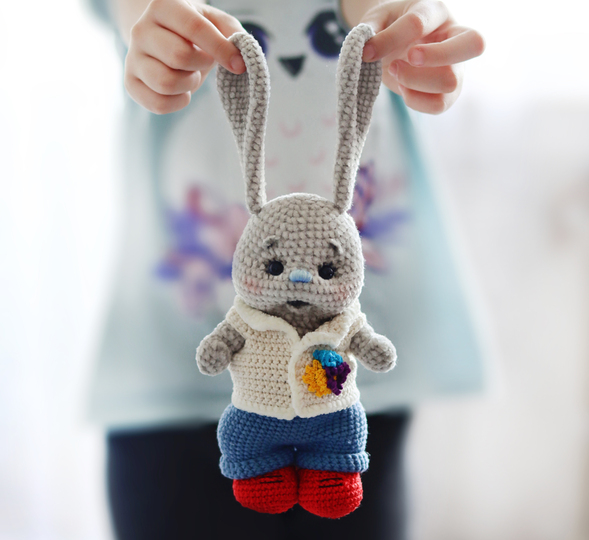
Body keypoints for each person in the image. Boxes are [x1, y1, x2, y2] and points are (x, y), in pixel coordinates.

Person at [86, 0, 485, 538]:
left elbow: (383, 12)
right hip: (166, 365)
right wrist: (151, 27)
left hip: (354, 383)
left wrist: (410, 30)